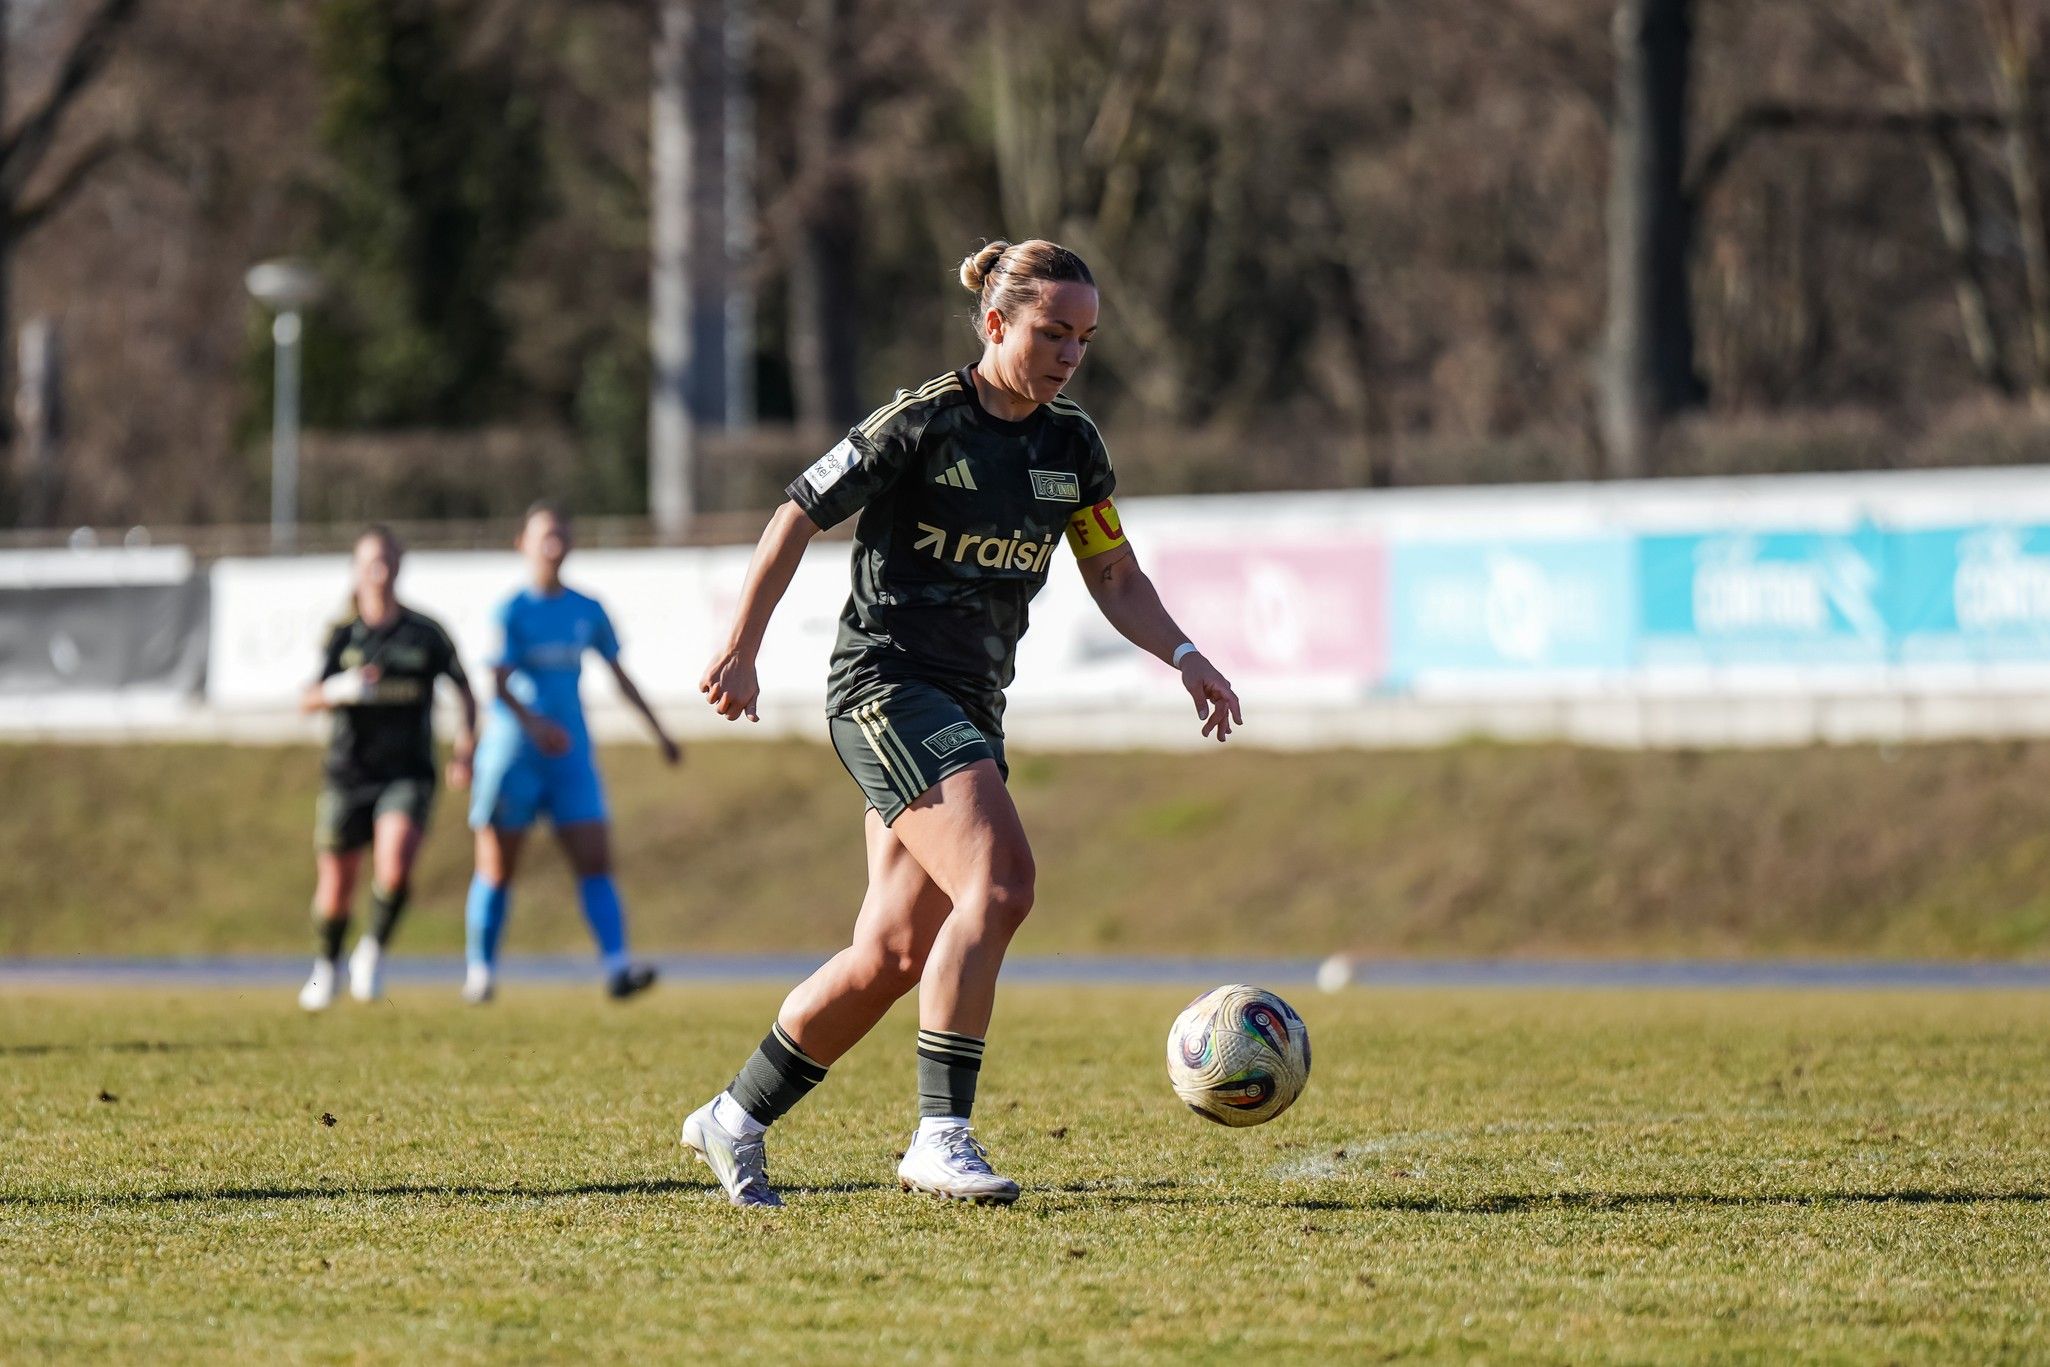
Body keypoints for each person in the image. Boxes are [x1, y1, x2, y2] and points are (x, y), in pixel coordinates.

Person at [680, 238, 1242, 1207]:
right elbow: (796, 513)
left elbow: (1111, 569)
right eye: (1051, 331)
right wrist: (741, 647)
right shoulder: (921, 421)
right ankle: (940, 1134)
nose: (1069, 352)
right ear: (994, 323)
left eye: (1084, 337)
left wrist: (1185, 654)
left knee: (892, 953)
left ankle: (732, 1117)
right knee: (1003, 878)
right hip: (884, 687)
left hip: (970, 704)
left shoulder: (1071, 448)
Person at [463, 501, 680, 1003]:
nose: (553, 543)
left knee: (595, 859)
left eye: (561, 533)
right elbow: (495, 684)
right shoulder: (511, 611)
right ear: (522, 543)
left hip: (570, 756)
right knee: (497, 867)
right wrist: (536, 727)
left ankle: (618, 967)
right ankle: (481, 973)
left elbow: (619, 675)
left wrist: (659, 733)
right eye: (543, 534)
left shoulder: (587, 608)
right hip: (513, 757)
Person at [299, 525, 477, 1011]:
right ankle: (326, 965)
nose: (378, 569)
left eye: (386, 559)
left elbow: (465, 690)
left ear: (399, 565)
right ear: (356, 569)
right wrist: (342, 689)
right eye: (369, 561)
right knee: (335, 888)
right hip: (349, 772)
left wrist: (466, 748)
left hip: (408, 771)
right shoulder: (342, 635)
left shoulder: (426, 632)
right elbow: (308, 698)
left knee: (394, 866)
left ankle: (372, 952)